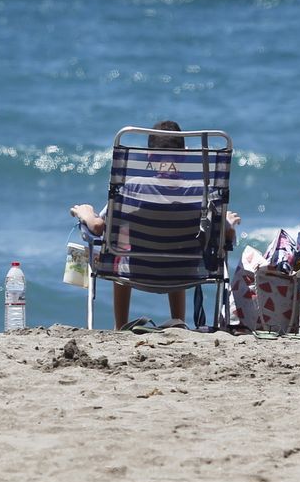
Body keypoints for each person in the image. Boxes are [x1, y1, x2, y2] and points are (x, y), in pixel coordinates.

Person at [70, 120, 240, 329]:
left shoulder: (133, 189)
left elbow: (97, 227)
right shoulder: (202, 193)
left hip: (136, 273)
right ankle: (178, 321)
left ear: (149, 154)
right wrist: (229, 223)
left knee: (120, 248)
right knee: (176, 244)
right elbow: (227, 236)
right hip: (186, 273)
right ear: (185, 153)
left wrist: (85, 213)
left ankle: (120, 325)